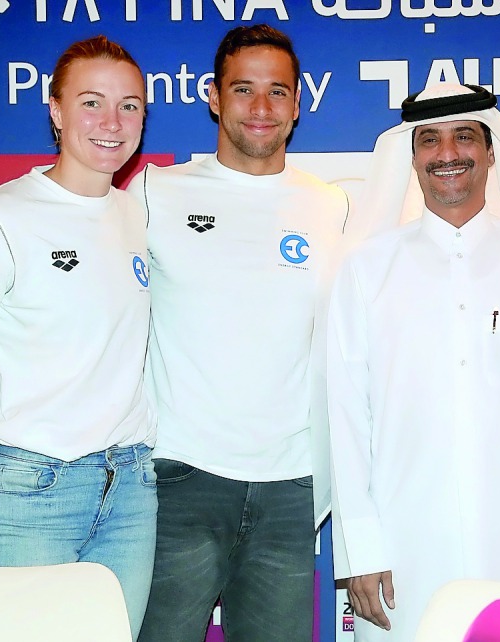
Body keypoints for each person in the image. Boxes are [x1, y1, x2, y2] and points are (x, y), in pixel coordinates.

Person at [327, 83, 500, 642]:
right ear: (412, 156)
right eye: (429, 140)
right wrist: (361, 546)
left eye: (463, 137)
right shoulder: (366, 269)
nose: (447, 153)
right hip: (404, 548)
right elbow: (346, 418)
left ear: (491, 150)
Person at [0, 36, 156, 639]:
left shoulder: (138, 213)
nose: (112, 123)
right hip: (33, 494)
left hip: (131, 491)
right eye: (92, 102)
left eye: (130, 106)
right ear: (54, 110)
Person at [130, 25, 347, 642]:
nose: (260, 108)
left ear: (298, 102)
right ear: (213, 97)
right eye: (243, 89)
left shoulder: (331, 206)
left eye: (277, 91)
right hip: (180, 479)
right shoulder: (155, 192)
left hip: (292, 488)